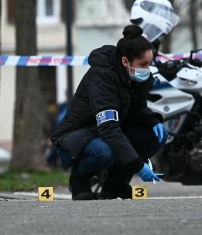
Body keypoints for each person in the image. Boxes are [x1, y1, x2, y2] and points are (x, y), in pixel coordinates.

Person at [51, 25, 168, 201]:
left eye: (149, 63)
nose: (147, 68)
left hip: (107, 131)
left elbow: (137, 111)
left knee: (155, 135)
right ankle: (79, 178)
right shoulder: (102, 77)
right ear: (124, 61)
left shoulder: (139, 77)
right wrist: (138, 165)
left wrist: (152, 120)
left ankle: (115, 185)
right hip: (77, 138)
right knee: (104, 152)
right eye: (143, 64)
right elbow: (109, 127)